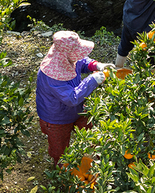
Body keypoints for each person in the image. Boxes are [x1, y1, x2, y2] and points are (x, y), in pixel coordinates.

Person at [36, 30, 113, 167]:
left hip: (78, 110)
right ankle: (61, 170)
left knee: (92, 132)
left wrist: (95, 65)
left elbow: (81, 62)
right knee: (59, 148)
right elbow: (71, 98)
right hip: (56, 118)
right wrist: (92, 80)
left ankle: (99, 159)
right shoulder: (51, 75)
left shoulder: (66, 56)